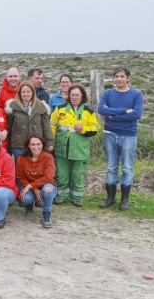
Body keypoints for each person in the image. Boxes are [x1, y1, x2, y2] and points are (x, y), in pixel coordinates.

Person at [98, 67, 144, 211]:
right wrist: (124, 111)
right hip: (109, 133)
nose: (119, 79)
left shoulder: (136, 94)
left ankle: (124, 200)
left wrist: (113, 116)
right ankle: (110, 198)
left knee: (127, 168)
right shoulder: (108, 93)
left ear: (128, 78)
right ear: (113, 78)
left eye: (122, 76)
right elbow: (101, 110)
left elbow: (136, 114)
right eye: (116, 76)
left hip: (128, 135)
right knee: (111, 167)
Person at [51, 84, 101, 207]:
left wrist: (83, 129)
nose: (74, 97)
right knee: (61, 174)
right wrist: (51, 142)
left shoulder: (89, 112)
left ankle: (76, 198)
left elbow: (95, 129)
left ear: (82, 96)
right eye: (72, 94)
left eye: (77, 95)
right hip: (61, 149)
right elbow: (51, 126)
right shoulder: (59, 109)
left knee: (77, 174)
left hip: (79, 150)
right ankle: (61, 196)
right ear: (68, 96)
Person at [16, 135, 58, 228]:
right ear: (28, 146)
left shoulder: (48, 157)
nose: (36, 147)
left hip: (46, 184)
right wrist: (33, 188)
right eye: (33, 144)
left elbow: (49, 177)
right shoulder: (21, 159)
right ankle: (29, 205)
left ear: (42, 145)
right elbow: (20, 177)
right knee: (25, 199)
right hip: (30, 187)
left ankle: (46, 213)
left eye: (38, 144)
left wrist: (30, 186)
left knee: (48, 190)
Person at [5, 82, 54, 158]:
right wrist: (5, 142)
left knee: (35, 167)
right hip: (18, 145)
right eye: (23, 92)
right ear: (19, 93)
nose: (26, 94)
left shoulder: (41, 106)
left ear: (33, 93)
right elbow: (8, 127)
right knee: (20, 167)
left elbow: (46, 127)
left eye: (28, 92)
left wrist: (50, 142)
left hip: (36, 145)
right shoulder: (12, 106)